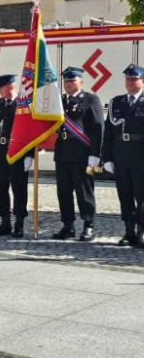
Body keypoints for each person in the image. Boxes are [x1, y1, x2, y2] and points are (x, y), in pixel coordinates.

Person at [52, 67, 104, 242]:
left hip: (83, 155)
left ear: (80, 81)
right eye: (66, 81)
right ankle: (68, 226)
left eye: (72, 80)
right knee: (64, 192)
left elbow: (98, 128)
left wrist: (95, 155)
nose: (68, 84)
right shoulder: (59, 102)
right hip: (62, 154)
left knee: (85, 191)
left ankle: (89, 225)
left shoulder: (91, 99)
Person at [0, 75, 33, 238]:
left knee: (19, 188)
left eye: (1, 88)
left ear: (11, 87)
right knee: (1, 188)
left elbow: (29, 132)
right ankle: (5, 222)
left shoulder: (23, 105)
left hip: (17, 151)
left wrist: (29, 154)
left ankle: (19, 223)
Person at [101, 64, 144, 247]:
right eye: (128, 78)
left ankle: (141, 232)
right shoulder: (116, 102)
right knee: (124, 195)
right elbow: (108, 133)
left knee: (142, 196)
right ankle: (128, 231)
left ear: (142, 81)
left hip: (141, 155)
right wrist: (107, 158)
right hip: (121, 155)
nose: (130, 82)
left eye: (134, 78)